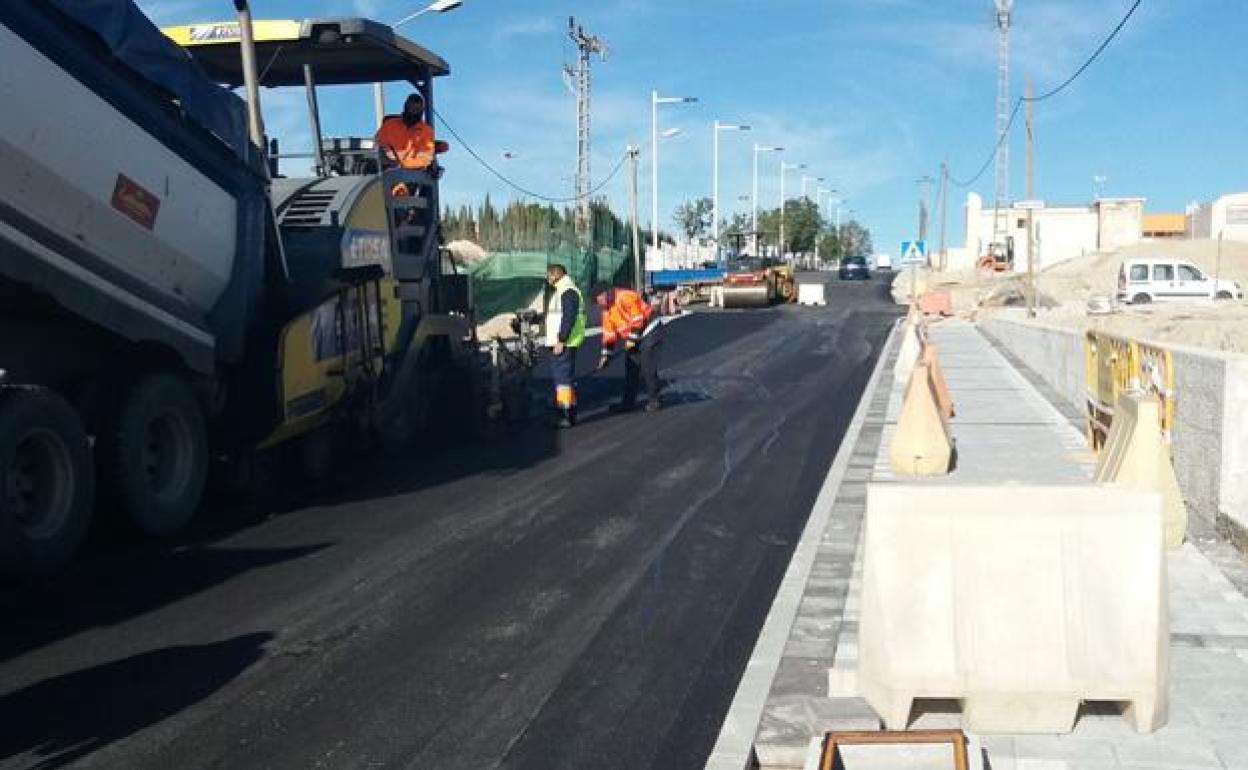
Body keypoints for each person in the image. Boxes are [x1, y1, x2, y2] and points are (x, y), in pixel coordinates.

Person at [594, 283, 663, 413]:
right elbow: (609, 335)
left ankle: (654, 400)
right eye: (598, 302)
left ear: (607, 293)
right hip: (634, 336)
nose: (600, 304)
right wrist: (606, 356)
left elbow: (638, 319)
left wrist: (632, 339)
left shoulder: (625, 296)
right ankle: (628, 403)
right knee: (631, 367)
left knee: (647, 366)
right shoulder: (606, 311)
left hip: (650, 330)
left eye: (600, 299)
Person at [543, 264, 586, 428]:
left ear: (555, 275)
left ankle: (565, 414)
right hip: (565, 341)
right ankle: (570, 411)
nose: (547, 278)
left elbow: (568, 317)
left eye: (548, 275)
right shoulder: (564, 290)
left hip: (564, 342)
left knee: (562, 380)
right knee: (565, 379)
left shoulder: (567, 291)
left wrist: (561, 339)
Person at [375, 92, 436, 171]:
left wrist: (402, 165)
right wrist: (387, 162)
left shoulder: (426, 131)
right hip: (387, 173)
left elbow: (425, 158)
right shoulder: (389, 125)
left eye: (416, 109)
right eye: (410, 108)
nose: (413, 112)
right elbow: (377, 147)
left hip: (413, 177)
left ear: (421, 111)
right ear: (405, 107)